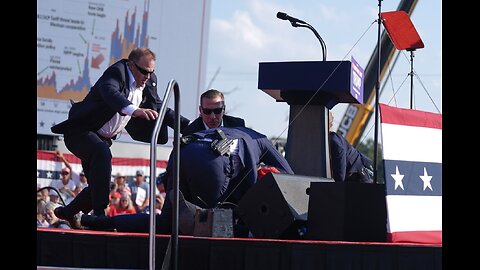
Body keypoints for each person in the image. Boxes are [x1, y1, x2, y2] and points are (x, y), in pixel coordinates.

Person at [50, 47, 190, 227]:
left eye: (151, 72)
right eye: (143, 71)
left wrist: (190, 126)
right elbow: (110, 93)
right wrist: (135, 110)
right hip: (81, 133)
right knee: (102, 153)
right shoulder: (117, 73)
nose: (147, 76)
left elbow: (160, 108)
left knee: (98, 186)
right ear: (131, 65)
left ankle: (66, 212)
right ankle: (100, 217)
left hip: (102, 139)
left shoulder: (148, 81)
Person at [79, 126, 294, 235]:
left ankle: (100, 222)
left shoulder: (242, 136)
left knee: (165, 222)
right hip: (212, 162)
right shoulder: (260, 144)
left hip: (183, 152)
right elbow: (291, 178)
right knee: (215, 226)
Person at [328, 111, 374, 183]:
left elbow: (340, 154)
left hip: (358, 175)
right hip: (354, 174)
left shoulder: (333, 139)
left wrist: (339, 182)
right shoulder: (332, 138)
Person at [181, 89, 245, 135]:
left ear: (224, 109)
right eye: (207, 111)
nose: (212, 117)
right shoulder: (190, 133)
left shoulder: (238, 126)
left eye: (217, 111)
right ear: (200, 110)